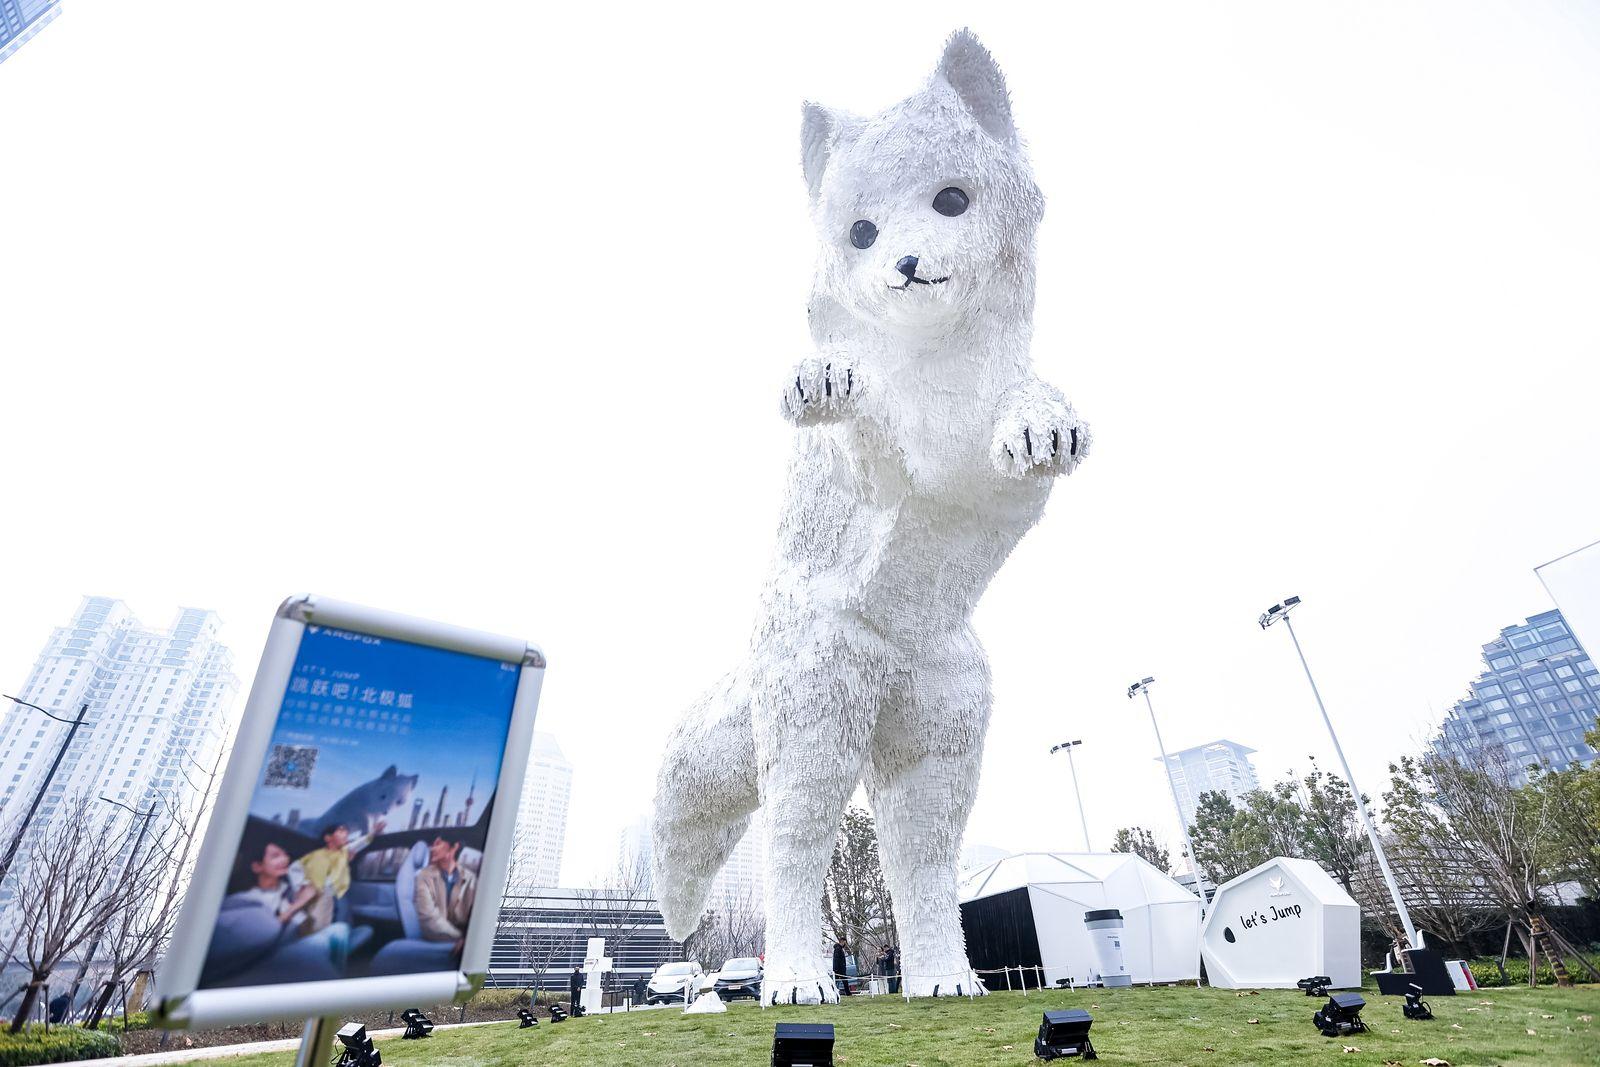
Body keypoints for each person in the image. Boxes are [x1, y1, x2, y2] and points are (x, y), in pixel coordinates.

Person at [296, 820, 382, 931]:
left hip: (337, 893)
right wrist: (302, 886)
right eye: (341, 831)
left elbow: (360, 843)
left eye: (347, 831)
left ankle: (340, 935)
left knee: (342, 917)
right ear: (328, 838)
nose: (346, 833)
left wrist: (373, 833)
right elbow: (295, 869)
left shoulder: (344, 852)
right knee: (317, 922)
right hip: (319, 894)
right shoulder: (316, 855)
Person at [413, 835, 476, 954]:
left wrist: (469, 938)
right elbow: (428, 917)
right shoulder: (424, 876)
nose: (432, 849)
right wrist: (462, 939)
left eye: (438, 844)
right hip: (438, 942)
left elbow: (477, 917)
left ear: (454, 847)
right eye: (432, 845)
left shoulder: (470, 878)